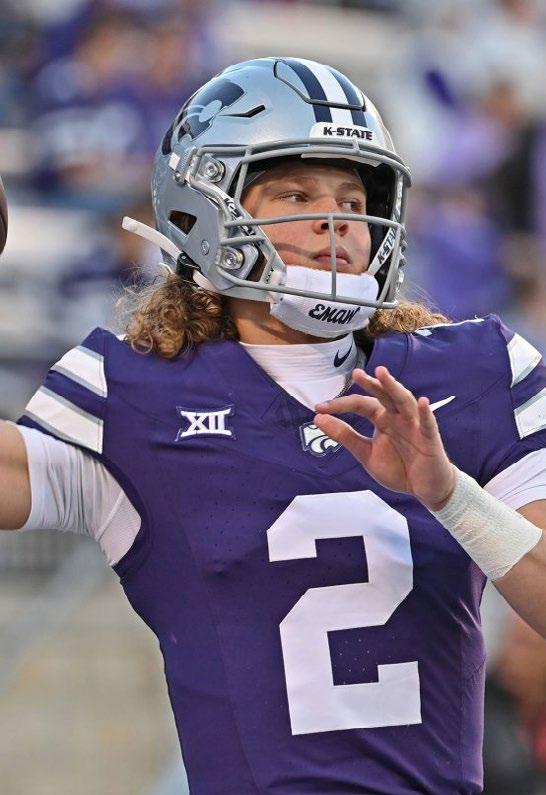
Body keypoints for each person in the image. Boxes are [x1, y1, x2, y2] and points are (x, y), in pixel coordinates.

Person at [1, 57, 546, 795]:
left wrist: (452, 496)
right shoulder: (132, 392)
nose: (337, 223)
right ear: (205, 210)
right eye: (296, 194)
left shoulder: (475, 372)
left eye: (353, 199)